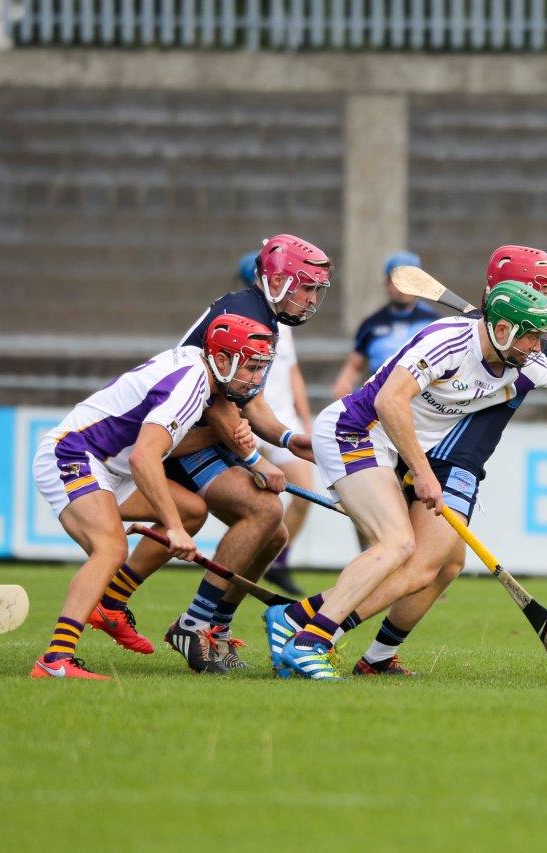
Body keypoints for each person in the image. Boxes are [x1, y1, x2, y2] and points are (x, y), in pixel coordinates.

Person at [267, 281, 547, 680]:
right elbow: (389, 400)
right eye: (532, 335)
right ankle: (312, 639)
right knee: (398, 545)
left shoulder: (524, 360)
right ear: (504, 329)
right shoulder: (447, 341)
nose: (539, 346)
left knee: (438, 560)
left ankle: (295, 620)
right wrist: (422, 472)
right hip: (354, 430)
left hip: (387, 447)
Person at [340, 244, 547, 675]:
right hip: (447, 458)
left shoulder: (529, 343)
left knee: (447, 566)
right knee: (419, 563)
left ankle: (378, 658)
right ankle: (313, 625)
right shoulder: (468, 337)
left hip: (461, 460)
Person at [88, 234, 330, 674]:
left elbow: (249, 400)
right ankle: (195, 624)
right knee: (261, 510)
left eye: (317, 290)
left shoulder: (263, 316)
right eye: (306, 287)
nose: (312, 299)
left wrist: (289, 439)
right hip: (189, 436)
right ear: (276, 281)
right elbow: (217, 400)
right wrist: (257, 461)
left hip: (212, 433)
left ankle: (212, 626)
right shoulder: (242, 313)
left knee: (273, 534)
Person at [30, 314, 276, 679]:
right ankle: (55, 660)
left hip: (110, 466)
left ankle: (112, 604)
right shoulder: (191, 383)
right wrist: (173, 530)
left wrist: (217, 438)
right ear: (222, 360)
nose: (256, 379)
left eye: (261, 369)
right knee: (111, 549)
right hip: (74, 455)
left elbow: (164, 447)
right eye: (251, 368)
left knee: (193, 510)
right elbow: (144, 457)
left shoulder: (199, 371)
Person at [235, 252, 316, 599]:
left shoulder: (285, 324)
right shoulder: (244, 321)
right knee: (260, 507)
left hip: (281, 421)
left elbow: (293, 372)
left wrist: (304, 419)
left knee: (304, 494)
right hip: (250, 421)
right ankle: (241, 570)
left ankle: (276, 562)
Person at [330, 251, 439, 400]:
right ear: (387, 283)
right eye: (397, 281)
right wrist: (343, 383)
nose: (402, 288)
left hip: (421, 395)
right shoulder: (371, 324)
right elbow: (354, 366)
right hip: (380, 395)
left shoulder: (431, 321)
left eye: (409, 281)